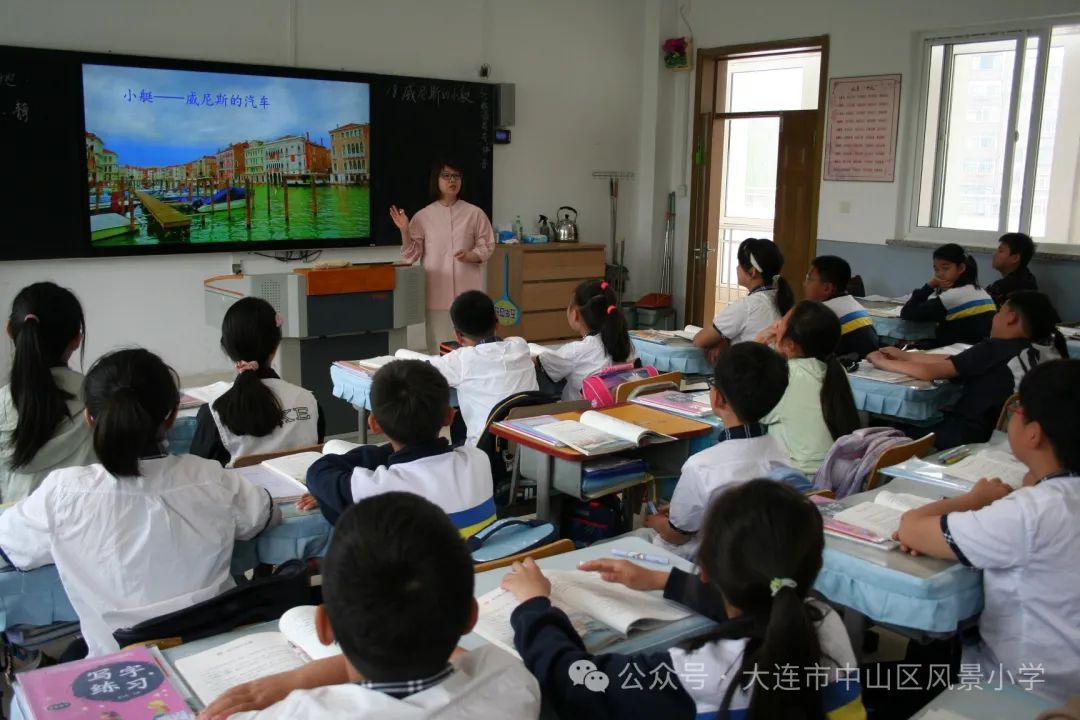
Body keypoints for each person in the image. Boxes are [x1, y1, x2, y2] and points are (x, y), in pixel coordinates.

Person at [501, 479, 866, 719]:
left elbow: (579, 684)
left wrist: (534, 607)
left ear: (704, 569)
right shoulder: (825, 622)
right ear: (815, 565)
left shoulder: (701, 670)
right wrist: (664, 581)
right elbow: (759, 601)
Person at [0, 348, 278, 656]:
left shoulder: (62, 493)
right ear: (172, 416)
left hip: (121, 666)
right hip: (214, 654)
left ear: (90, 418)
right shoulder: (210, 478)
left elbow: (12, 546)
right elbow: (265, 513)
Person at [199, 492, 542, 719]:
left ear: (324, 626)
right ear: (470, 617)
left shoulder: (296, 714)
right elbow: (458, 658)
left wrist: (293, 681)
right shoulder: (511, 682)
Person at [896, 359, 1080, 703]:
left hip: (1020, 689)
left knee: (900, 675)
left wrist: (973, 499)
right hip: (1068, 681)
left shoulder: (1030, 513)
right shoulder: (1052, 498)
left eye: (1018, 408)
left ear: (1034, 433)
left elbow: (911, 528)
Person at [306, 360, 496, 537]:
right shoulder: (478, 459)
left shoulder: (376, 490)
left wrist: (326, 495)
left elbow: (318, 473)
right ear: (449, 416)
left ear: (374, 424)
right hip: (476, 568)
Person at [646, 342, 794, 559]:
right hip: (758, 560)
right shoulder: (782, 453)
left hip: (705, 564)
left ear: (718, 398)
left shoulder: (701, 466)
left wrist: (656, 522)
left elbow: (678, 535)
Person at [868, 291, 1065, 448]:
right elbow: (960, 361)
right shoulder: (1051, 347)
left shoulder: (996, 347)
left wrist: (882, 362)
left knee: (886, 433)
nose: (994, 318)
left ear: (1011, 318)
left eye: (999, 312)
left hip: (970, 435)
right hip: (1019, 433)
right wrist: (908, 355)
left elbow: (931, 373)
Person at [190, 297, 323, 467]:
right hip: (304, 493)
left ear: (227, 348)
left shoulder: (215, 412)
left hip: (241, 493)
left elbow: (200, 475)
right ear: (275, 346)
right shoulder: (309, 402)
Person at [0, 282, 95, 503]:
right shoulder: (100, 399)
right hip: (89, 529)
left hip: (17, 533)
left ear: (9, 330)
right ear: (77, 339)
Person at [403, 290, 537, 446]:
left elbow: (420, 368)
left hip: (487, 452)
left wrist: (401, 353)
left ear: (458, 336)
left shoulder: (460, 360)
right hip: (532, 445)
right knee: (460, 421)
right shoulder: (520, 345)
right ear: (497, 322)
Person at [392, 160, 495, 353]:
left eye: (456, 176)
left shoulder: (475, 213)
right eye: (446, 176)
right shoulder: (423, 216)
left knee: (473, 350)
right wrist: (405, 231)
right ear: (436, 180)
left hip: (469, 294)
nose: (452, 180)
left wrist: (471, 255)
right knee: (440, 349)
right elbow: (410, 255)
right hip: (437, 293)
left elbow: (487, 245)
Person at [762, 301, 861, 475]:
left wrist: (758, 342)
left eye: (781, 323)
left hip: (799, 483)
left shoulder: (789, 376)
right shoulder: (835, 370)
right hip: (834, 477)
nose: (775, 327)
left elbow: (747, 406)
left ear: (791, 345)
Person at [693, 238, 795, 362]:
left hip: (750, 374)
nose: (737, 268)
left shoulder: (747, 306)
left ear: (752, 272)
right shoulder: (779, 297)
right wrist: (726, 340)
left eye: (739, 264)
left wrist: (723, 340)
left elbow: (699, 340)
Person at [536, 279, 636, 401]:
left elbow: (541, 363)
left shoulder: (574, 351)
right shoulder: (625, 344)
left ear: (575, 314)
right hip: (615, 411)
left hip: (578, 414)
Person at [901, 243, 995, 346]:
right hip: (975, 350)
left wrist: (930, 285)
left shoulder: (952, 298)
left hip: (954, 352)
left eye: (945, 268)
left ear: (961, 268)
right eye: (936, 269)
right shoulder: (980, 291)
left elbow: (907, 313)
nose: (939, 274)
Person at [803, 255, 879, 358]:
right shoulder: (856, 305)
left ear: (827, 288)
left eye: (809, 279)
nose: (804, 284)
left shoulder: (819, 314)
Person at [987, 232, 1038, 308]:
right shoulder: (1029, 278)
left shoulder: (1005, 288)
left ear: (1015, 258)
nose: (994, 254)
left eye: (1000, 251)